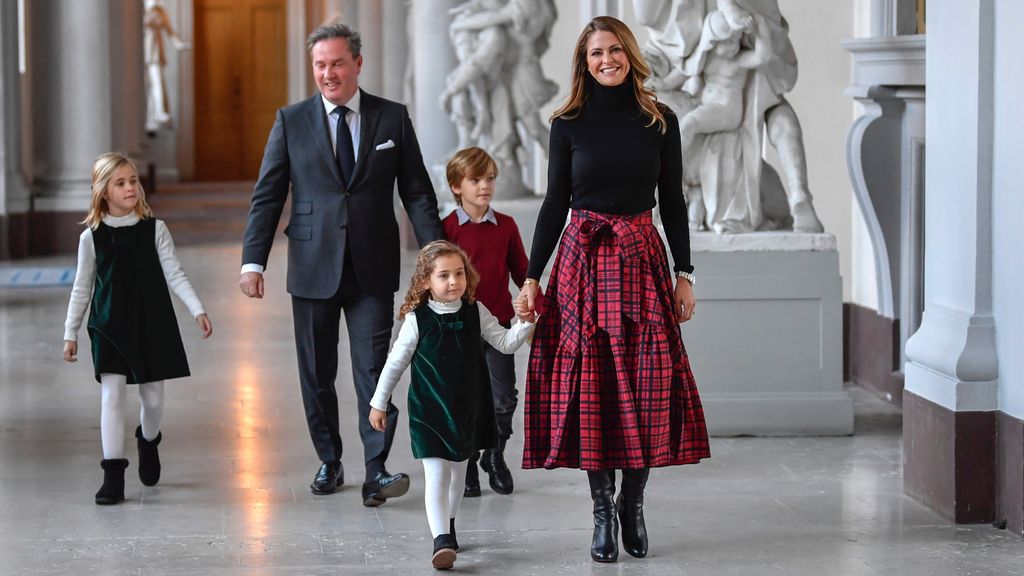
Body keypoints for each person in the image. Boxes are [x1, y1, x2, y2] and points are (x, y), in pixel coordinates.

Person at [515, 16, 711, 563]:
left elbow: (672, 201)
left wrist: (685, 274)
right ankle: (601, 509)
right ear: (584, 61)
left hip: (643, 260)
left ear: (630, 54)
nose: (607, 60)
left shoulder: (659, 120)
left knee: (648, 384)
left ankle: (634, 504)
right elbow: (556, 203)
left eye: (615, 49)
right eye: (596, 52)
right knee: (594, 388)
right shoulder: (567, 123)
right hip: (581, 263)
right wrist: (533, 276)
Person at [240, 23, 442, 507]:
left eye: (336, 63)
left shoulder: (391, 118)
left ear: (357, 64)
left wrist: (437, 256)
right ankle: (329, 459)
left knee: (377, 371)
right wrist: (253, 261)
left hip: (372, 266)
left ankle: (376, 469)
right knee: (316, 372)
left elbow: (416, 191)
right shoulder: (292, 121)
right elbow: (268, 196)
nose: (328, 74)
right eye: (319, 65)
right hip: (311, 266)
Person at [368, 240, 535, 570]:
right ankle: (441, 538)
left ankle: (450, 522)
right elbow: (395, 362)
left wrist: (525, 322)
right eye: (443, 275)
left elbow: (504, 342)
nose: (454, 282)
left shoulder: (475, 310)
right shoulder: (418, 320)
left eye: (459, 274)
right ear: (425, 281)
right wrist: (379, 402)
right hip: (429, 410)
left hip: (467, 409)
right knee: (436, 474)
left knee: (459, 474)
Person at [63, 152, 213, 505]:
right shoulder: (92, 238)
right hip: (109, 324)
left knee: (153, 397)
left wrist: (197, 308)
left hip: (151, 320)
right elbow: (82, 286)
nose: (130, 187)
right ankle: (113, 473)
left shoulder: (154, 229)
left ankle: (149, 440)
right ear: (103, 192)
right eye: (120, 183)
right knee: (112, 395)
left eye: (133, 180)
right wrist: (70, 332)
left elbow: (174, 272)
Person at [441, 147, 529, 497]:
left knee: (503, 398)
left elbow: (523, 272)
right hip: (459, 328)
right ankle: (468, 462)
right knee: (464, 400)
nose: (484, 186)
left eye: (489, 178)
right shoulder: (447, 228)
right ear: (456, 186)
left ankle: (494, 455)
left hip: (500, 326)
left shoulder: (505, 226)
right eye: (475, 180)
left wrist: (532, 299)